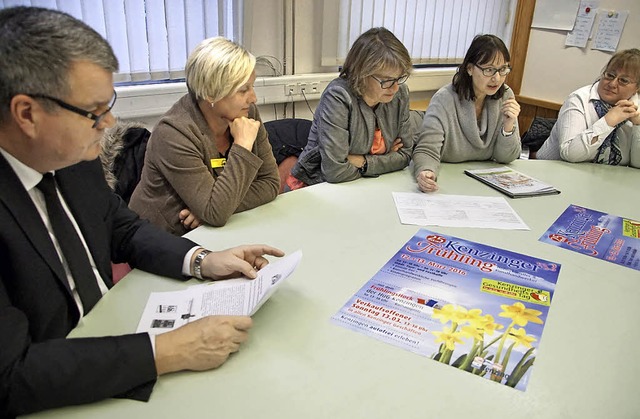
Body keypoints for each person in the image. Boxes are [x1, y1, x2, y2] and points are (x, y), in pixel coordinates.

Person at [0, 7, 284, 417]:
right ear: (27, 114)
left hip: (112, 326)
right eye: (94, 111)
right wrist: (168, 350)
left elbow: (124, 228)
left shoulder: (73, 158)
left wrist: (203, 259)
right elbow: (12, 375)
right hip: (58, 383)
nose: (111, 121)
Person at [129, 37, 280, 235]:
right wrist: (242, 146)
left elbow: (271, 183)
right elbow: (215, 213)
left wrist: (214, 208)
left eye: (252, 86)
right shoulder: (173, 134)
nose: (253, 98)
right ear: (210, 94)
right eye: (243, 90)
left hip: (215, 231)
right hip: (161, 237)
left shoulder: (247, 114)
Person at [287, 27, 415, 189]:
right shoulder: (338, 96)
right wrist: (387, 158)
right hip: (317, 186)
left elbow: (405, 156)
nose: (395, 88)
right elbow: (335, 172)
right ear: (362, 74)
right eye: (387, 80)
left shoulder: (400, 94)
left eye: (400, 78)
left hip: (369, 184)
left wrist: (362, 161)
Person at [412, 34, 522, 192]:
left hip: (485, 185)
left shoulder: (505, 95)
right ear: (470, 68)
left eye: (503, 69)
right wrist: (426, 172)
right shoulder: (445, 99)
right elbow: (426, 149)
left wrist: (508, 126)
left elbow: (506, 158)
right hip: (449, 182)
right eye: (489, 70)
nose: (497, 78)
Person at [536, 48, 640, 167]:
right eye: (610, 75)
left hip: (604, 179)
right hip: (553, 171)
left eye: (623, 81)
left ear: (637, 88)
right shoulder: (579, 99)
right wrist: (608, 122)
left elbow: (638, 164)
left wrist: (638, 126)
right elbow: (570, 154)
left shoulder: (636, 107)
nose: (612, 84)